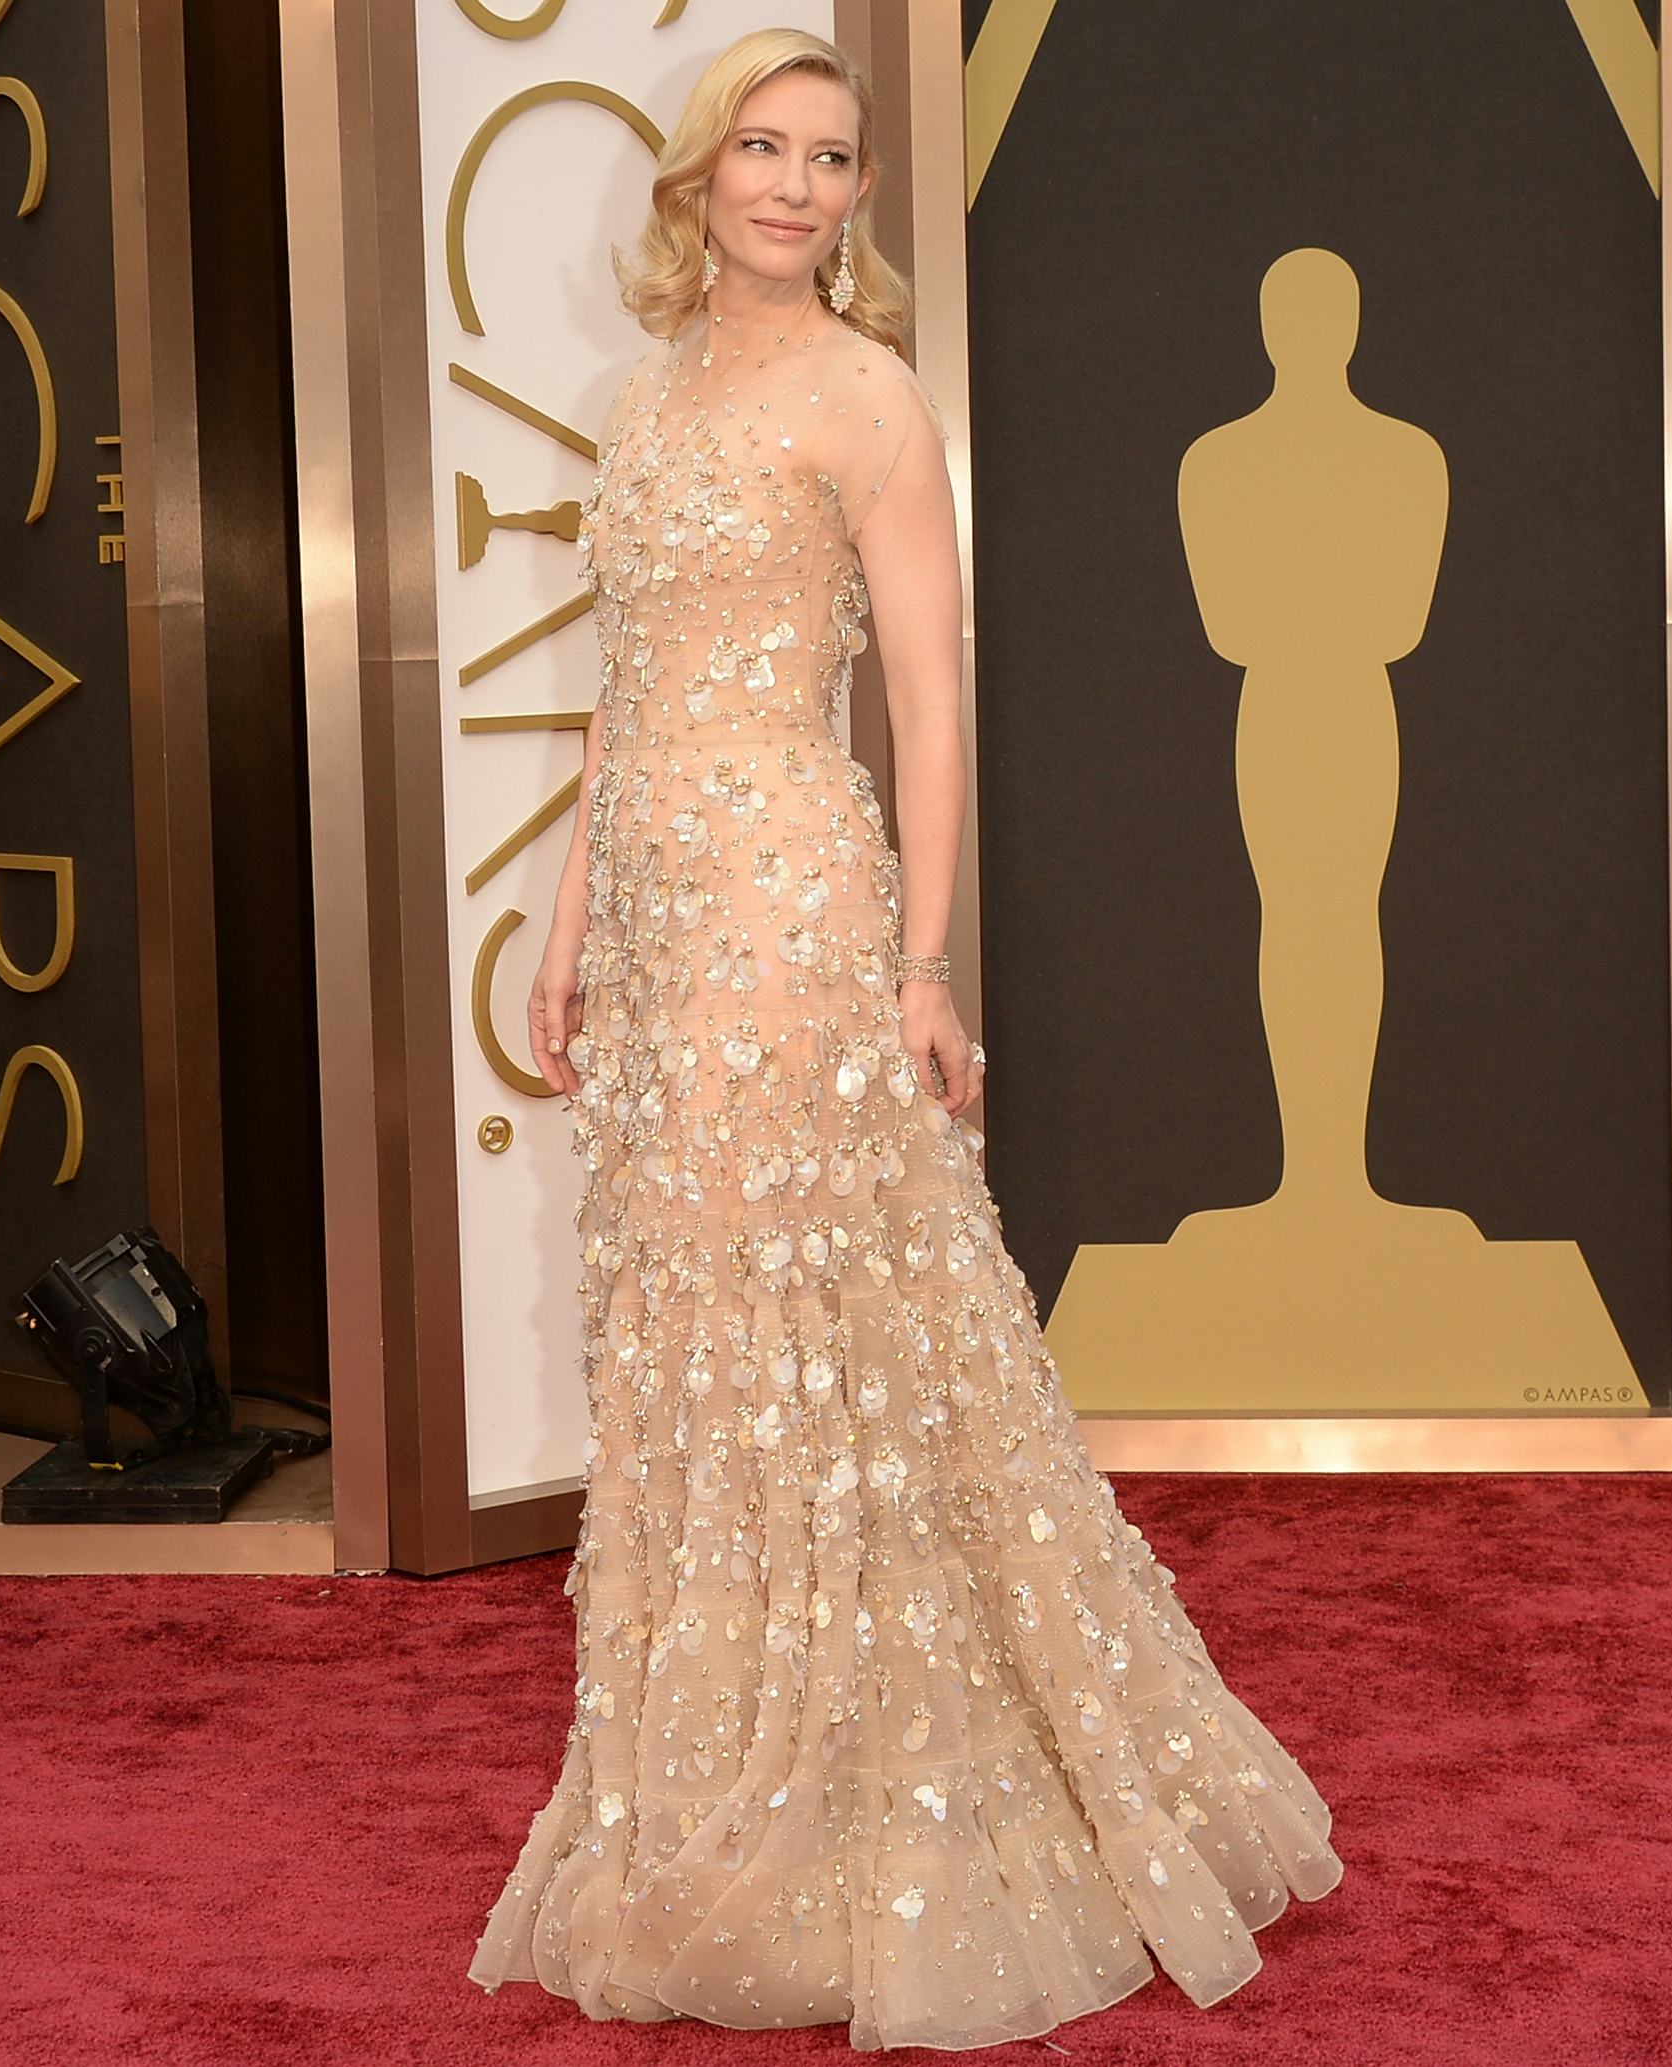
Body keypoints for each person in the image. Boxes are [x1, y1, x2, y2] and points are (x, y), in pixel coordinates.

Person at [464, 29, 1343, 2045]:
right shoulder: (643, 399)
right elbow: (625, 689)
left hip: (792, 903)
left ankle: (879, 1803)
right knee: (689, 1336)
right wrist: (572, 919)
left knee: (818, 1332)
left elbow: (930, 702)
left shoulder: (870, 398)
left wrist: (921, 963)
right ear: (702, 176)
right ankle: (711, 1801)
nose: (795, 183)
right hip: (661, 923)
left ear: (861, 196)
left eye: (832, 158)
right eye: (764, 148)